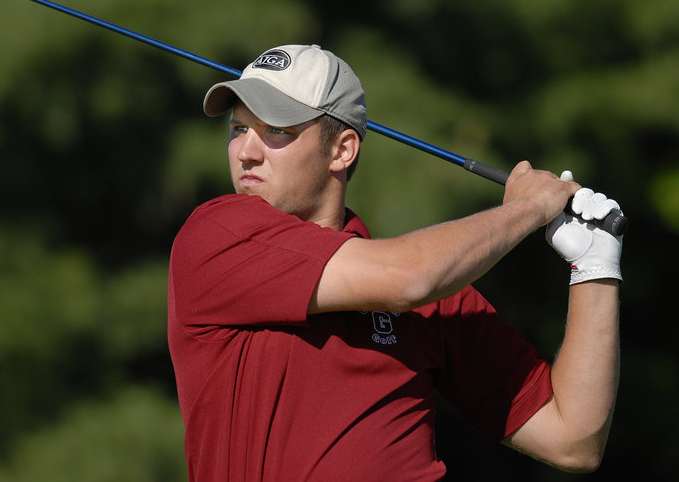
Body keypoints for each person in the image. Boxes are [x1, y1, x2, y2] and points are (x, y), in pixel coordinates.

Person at [167, 44, 623, 481]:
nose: (246, 150)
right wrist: (528, 208)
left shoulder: (435, 296)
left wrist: (595, 266)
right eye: (238, 128)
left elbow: (573, 440)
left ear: (342, 150)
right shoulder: (218, 235)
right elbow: (410, 278)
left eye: (276, 131)